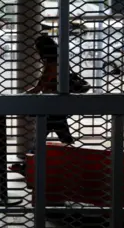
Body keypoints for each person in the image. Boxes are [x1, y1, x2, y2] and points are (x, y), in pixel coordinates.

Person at [11, 35, 75, 174]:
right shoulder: (61, 61)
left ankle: (29, 166)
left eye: (38, 49)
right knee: (61, 137)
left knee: (43, 138)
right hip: (58, 106)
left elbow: (40, 87)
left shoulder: (52, 65)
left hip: (52, 106)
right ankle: (74, 163)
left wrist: (22, 96)